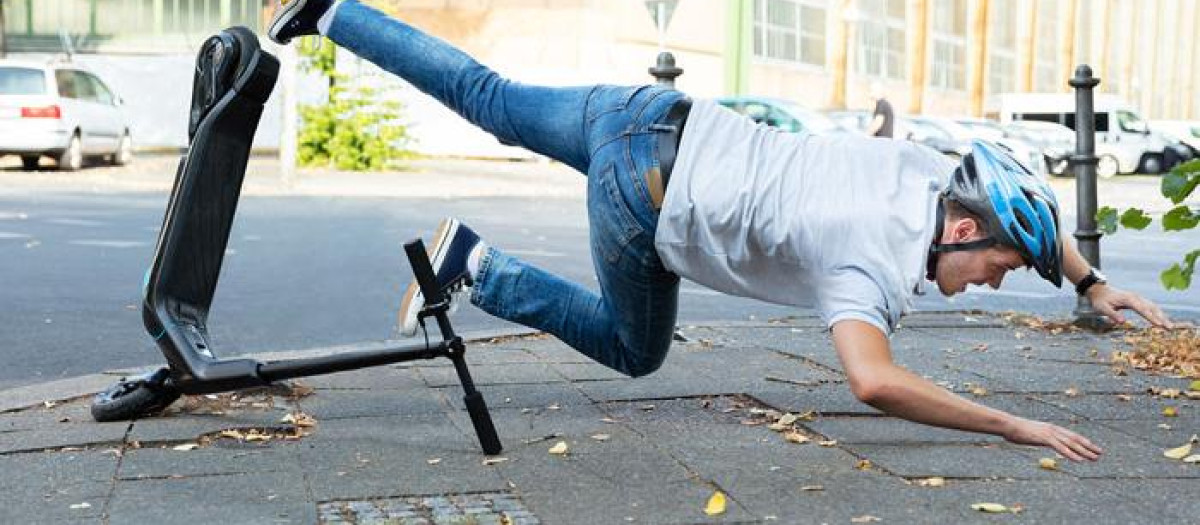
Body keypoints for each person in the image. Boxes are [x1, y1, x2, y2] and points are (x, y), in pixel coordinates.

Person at [268, 0, 1173, 462]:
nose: (995, 280)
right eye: (999, 267)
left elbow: (1032, 219)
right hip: (648, 197)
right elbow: (872, 381)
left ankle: (330, 9)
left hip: (649, 114)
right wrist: (1010, 423)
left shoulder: (928, 172)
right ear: (963, 226)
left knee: (488, 97)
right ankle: (480, 265)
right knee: (636, 351)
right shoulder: (863, 261)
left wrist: (1089, 281)